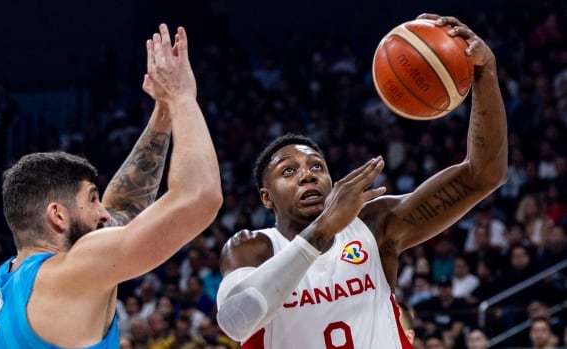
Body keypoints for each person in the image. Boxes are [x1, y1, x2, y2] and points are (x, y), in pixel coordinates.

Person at [216, 13, 508, 349]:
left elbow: (485, 174)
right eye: (288, 170)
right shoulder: (252, 247)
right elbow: (236, 322)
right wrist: (322, 229)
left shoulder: (373, 224)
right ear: (266, 198)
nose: (307, 174)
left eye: (316, 166)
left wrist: (485, 73)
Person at [0, 24, 222, 348]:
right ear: (58, 216)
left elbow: (125, 210)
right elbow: (199, 198)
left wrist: (162, 112)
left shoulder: (5, 279)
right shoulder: (69, 274)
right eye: (93, 199)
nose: (104, 212)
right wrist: (182, 98)